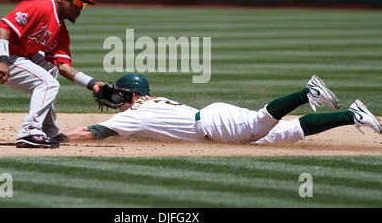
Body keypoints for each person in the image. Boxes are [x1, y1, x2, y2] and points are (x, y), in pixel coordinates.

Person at [0, 0, 105, 149]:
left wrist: (92, 84)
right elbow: (3, 26)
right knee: (47, 83)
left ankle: (50, 130)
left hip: (15, 57)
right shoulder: (40, 8)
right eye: (77, 2)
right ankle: (30, 132)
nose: (80, 8)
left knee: (50, 68)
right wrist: (3, 59)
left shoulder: (61, 32)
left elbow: (64, 67)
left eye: (83, 5)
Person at [66, 74, 381, 144]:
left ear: (132, 95)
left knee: (260, 123)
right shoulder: (150, 105)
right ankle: (353, 114)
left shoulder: (137, 114)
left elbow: (95, 132)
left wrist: (58, 138)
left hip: (214, 125)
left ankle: (307, 91)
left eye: (119, 96)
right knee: (288, 133)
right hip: (213, 120)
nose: (114, 100)